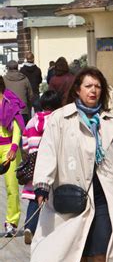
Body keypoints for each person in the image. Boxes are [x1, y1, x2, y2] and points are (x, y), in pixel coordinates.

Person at [30, 67, 113, 262]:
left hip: (106, 193)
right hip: (74, 194)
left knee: (102, 245)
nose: (93, 91)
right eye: (88, 86)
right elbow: (48, 151)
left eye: (97, 87)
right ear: (78, 89)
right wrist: (43, 184)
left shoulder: (111, 121)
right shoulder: (61, 119)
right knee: (79, 246)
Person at [21, 90, 62, 245]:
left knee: (34, 197)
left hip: (33, 165)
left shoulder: (32, 122)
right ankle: (52, 230)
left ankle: (29, 227)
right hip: (52, 164)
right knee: (52, 196)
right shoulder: (57, 120)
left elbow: (24, 143)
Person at [0, 77, 25, 237]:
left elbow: (16, 126)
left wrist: (15, 147)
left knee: (12, 188)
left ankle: (12, 222)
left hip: (9, 147)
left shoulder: (10, 101)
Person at [4, 59, 34, 126]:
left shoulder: (4, 79)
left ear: (8, 68)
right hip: (23, 111)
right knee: (23, 133)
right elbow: (30, 95)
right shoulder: (24, 78)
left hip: (8, 111)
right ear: (17, 68)